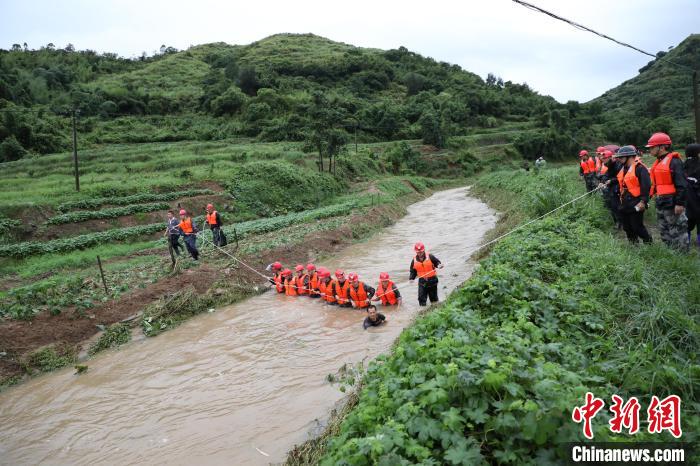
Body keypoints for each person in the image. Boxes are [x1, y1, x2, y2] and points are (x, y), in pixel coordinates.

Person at [647, 132, 689, 251]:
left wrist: (680, 203)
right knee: (664, 230)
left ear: (662, 147)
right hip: (662, 202)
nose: (650, 150)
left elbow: (682, 184)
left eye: (652, 147)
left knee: (678, 231)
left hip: (673, 203)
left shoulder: (675, 162)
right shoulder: (659, 162)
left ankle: (682, 258)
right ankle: (671, 254)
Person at [615, 145, 652, 244]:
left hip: (636, 201)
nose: (619, 159)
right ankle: (633, 246)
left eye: (621, 157)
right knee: (627, 227)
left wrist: (643, 201)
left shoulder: (640, 168)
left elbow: (646, 186)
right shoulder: (623, 168)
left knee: (637, 227)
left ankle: (649, 243)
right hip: (624, 201)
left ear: (630, 157)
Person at [409, 242, 443, 306]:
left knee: (433, 299)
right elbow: (413, 271)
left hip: (432, 280)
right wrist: (411, 278)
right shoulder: (414, 260)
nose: (420, 253)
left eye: (421, 252)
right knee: (421, 298)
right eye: (418, 252)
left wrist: (439, 265)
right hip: (422, 282)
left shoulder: (430, 256)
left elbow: (437, 262)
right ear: (416, 252)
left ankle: (435, 309)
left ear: (424, 250)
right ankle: (423, 311)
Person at [597, 150, 623, 228]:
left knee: (616, 205)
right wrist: (602, 182)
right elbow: (606, 175)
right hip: (612, 187)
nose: (603, 160)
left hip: (619, 187)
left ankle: (620, 222)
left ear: (610, 157)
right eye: (602, 158)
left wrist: (611, 181)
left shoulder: (618, 165)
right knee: (612, 205)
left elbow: (620, 177)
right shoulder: (608, 165)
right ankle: (617, 221)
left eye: (605, 158)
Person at [684, 143, 700, 246]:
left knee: (687, 223)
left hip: (686, 200)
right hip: (698, 198)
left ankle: (686, 241)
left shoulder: (683, 165)